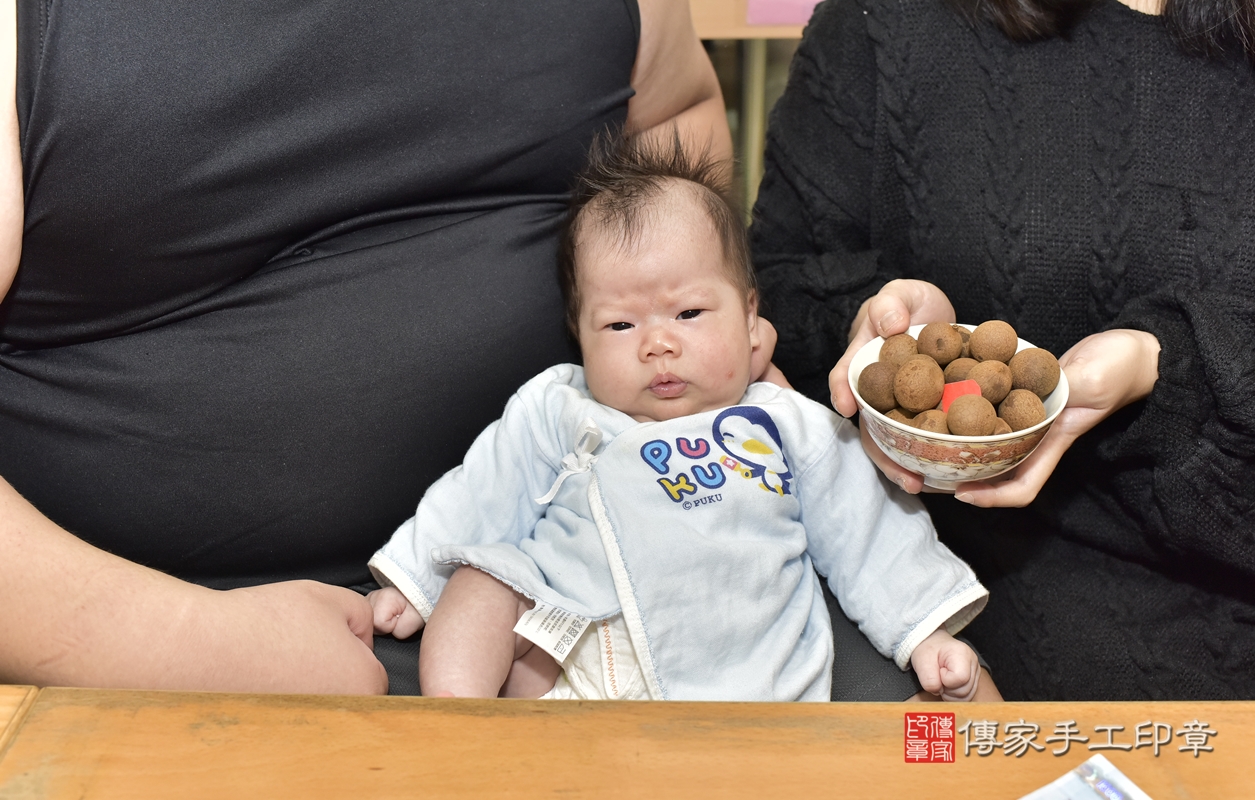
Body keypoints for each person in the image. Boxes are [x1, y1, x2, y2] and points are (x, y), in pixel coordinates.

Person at [0, 0, 737, 694]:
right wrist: (189, 641)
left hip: (589, 583)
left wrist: (695, 338)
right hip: (136, 647)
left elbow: (673, 110)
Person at [365, 134, 991, 702]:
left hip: (740, 674)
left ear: (750, 317)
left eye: (689, 314)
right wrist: (415, 582)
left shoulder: (785, 424)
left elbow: (869, 530)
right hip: (574, 657)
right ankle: (458, 732)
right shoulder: (560, 406)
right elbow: (481, 491)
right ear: (578, 335)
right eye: (618, 324)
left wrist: (924, 634)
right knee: (481, 580)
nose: (657, 344)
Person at [751, 0, 1255, 700]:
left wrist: (1162, 371)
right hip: (940, 589)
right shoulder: (888, 25)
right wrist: (884, 330)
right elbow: (773, 288)